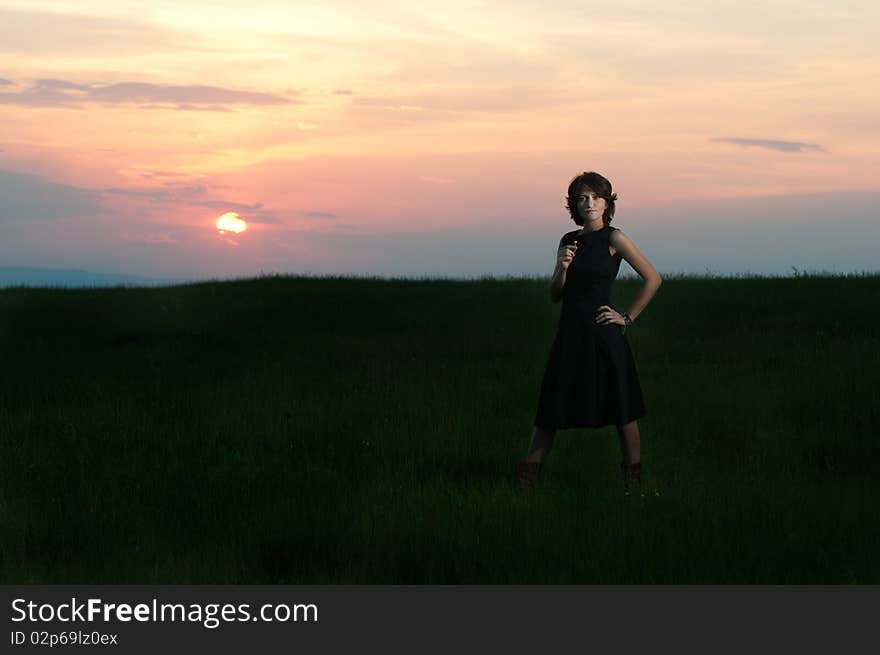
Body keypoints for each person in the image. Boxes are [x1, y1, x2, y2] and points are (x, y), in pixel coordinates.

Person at [516, 171, 662, 496]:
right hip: (570, 337)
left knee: (623, 411)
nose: (589, 202)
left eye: (595, 197)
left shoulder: (615, 238)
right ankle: (525, 485)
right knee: (550, 411)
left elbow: (653, 278)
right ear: (574, 205)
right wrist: (561, 268)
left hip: (604, 337)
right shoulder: (568, 240)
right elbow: (556, 294)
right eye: (582, 198)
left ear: (607, 202)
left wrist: (626, 318)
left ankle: (633, 487)